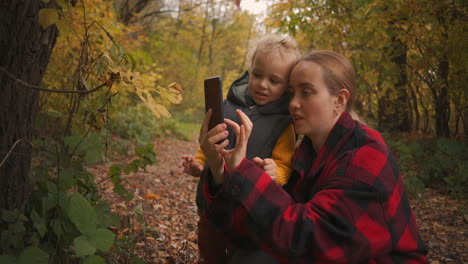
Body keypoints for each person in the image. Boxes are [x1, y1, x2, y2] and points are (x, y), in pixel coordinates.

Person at [198, 50, 429, 263]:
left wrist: (244, 171)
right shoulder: (307, 152)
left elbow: (307, 239)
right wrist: (219, 169)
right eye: (292, 93)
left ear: (339, 101)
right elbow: (259, 227)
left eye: (306, 93)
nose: (293, 104)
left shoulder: (366, 156)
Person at [179, 35, 301, 264]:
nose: (262, 84)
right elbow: (210, 144)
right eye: (257, 74)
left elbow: (284, 163)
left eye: (274, 80)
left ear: (287, 87)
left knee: (240, 249)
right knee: (208, 241)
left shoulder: (283, 123)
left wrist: (276, 172)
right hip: (212, 201)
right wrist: (198, 163)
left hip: (247, 208)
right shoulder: (227, 105)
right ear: (250, 70)